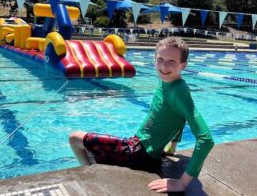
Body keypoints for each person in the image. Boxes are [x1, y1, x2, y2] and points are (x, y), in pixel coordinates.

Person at [69, 37, 214, 193]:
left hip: (137, 152)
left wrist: (182, 183)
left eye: (171, 61)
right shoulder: (169, 81)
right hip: (141, 147)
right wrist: (172, 146)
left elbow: (206, 140)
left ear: (183, 65)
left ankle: (90, 179)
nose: (164, 66)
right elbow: (181, 116)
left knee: (75, 138)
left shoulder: (179, 92)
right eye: (160, 59)